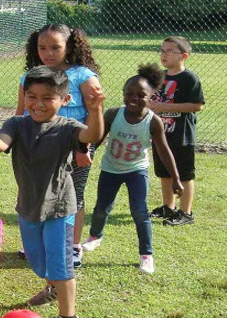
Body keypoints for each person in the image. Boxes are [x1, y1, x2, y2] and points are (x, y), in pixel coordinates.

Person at [0, 65, 105, 318]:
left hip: (59, 208)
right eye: (31, 96)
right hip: (28, 206)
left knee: (61, 266)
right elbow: (2, 145)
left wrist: (95, 109)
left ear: (65, 100)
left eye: (47, 98)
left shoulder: (68, 128)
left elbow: (92, 136)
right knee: (39, 263)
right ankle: (53, 288)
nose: (38, 104)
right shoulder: (17, 124)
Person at [82, 64, 183, 274]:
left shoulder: (153, 122)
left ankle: (146, 254)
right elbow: (97, 139)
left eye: (140, 95)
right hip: (111, 169)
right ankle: (94, 237)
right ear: (123, 94)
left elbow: (163, 151)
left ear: (151, 97)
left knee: (139, 211)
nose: (133, 98)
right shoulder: (113, 115)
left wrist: (175, 178)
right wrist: (87, 153)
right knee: (102, 208)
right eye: (129, 93)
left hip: (137, 170)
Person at [15, 23, 101, 268]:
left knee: (74, 196)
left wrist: (82, 148)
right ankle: (38, 242)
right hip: (40, 148)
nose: (48, 53)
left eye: (55, 47)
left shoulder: (83, 76)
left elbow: (94, 119)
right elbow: (21, 113)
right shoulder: (31, 77)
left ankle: (72, 246)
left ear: (69, 46)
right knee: (37, 193)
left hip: (75, 148)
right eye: (42, 47)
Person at [149, 36, 205, 226]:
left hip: (181, 135)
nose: (164, 54)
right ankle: (168, 207)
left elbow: (197, 105)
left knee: (184, 174)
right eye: (162, 50)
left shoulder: (189, 78)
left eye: (170, 51)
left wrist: (164, 107)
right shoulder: (159, 77)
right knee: (164, 172)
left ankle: (186, 212)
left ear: (184, 56)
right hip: (161, 135)